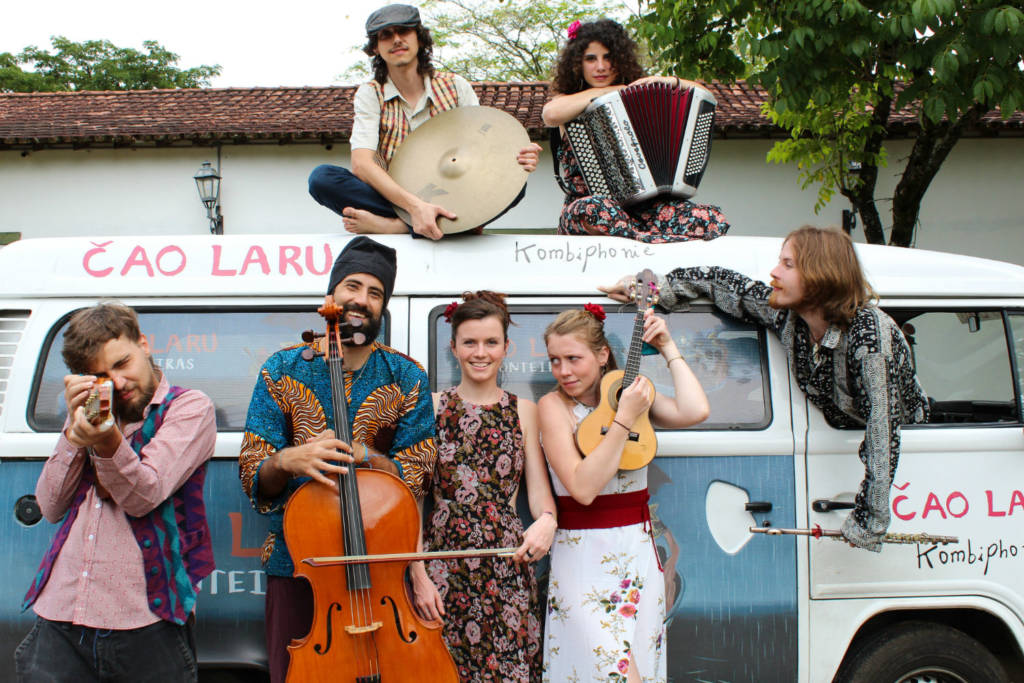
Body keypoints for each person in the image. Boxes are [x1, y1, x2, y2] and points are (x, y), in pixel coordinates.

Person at [601, 225, 929, 551]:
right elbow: (722, 283)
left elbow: (883, 433)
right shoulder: (789, 315)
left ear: (822, 274)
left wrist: (869, 520)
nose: (774, 272)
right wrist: (649, 289)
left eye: (788, 264)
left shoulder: (871, 336)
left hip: (915, 455)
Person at [239, 236, 439, 683]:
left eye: (375, 292)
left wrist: (372, 458)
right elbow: (254, 469)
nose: (361, 300)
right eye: (353, 286)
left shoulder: (406, 376)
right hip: (301, 566)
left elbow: (420, 472)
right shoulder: (281, 368)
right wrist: (290, 459)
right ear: (331, 296)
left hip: (381, 564)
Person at [16, 302, 216, 682]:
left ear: (143, 343)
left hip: (146, 619)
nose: (119, 383)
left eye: (123, 363)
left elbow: (144, 495)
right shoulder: (92, 411)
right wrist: (76, 434)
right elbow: (51, 505)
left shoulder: (189, 407)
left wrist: (106, 442)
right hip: (61, 615)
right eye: (101, 376)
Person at [538, 304, 709, 682]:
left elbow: (695, 410)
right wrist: (624, 419)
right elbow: (582, 488)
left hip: (636, 550)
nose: (563, 371)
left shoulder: (628, 393)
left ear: (602, 356)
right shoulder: (553, 407)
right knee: (606, 670)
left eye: (573, 358)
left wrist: (667, 347)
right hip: (583, 556)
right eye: (554, 360)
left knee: (641, 667)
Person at [308, 3, 542, 240]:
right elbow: (362, 165)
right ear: (376, 48)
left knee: (515, 183)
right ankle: (446, 226)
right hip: (392, 197)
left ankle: (396, 228)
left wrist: (520, 155)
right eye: (386, 35)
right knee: (322, 179)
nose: (397, 39)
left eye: (404, 31)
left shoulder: (455, 86)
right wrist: (414, 207)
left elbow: (481, 144)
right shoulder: (371, 94)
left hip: (456, 192)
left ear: (419, 38)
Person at [418, 291, 557, 682]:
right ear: (454, 347)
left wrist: (547, 520)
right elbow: (412, 501)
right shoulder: (431, 408)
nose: (481, 352)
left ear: (506, 347)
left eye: (491, 342)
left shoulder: (524, 410)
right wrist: (417, 572)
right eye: (470, 342)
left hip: (506, 563)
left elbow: (540, 493)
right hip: (443, 565)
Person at [541, 19, 730, 243]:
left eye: (608, 57)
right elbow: (551, 114)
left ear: (620, 59)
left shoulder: (636, 96)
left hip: (644, 210)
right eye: (591, 59)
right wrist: (612, 91)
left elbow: (707, 97)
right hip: (590, 206)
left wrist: (667, 80)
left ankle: (640, 235)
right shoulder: (569, 100)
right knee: (595, 209)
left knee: (707, 218)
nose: (600, 66)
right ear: (577, 63)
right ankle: (648, 238)